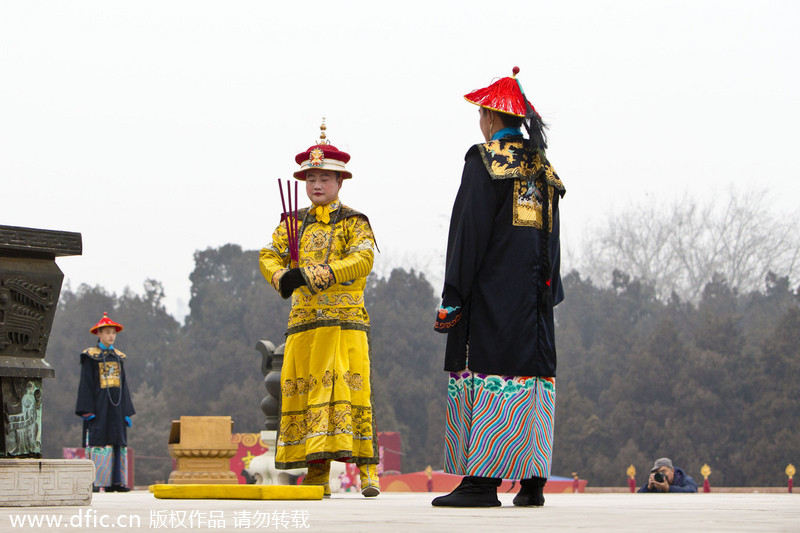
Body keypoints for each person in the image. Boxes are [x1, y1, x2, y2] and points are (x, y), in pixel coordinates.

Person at [432, 67, 566, 508]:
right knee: (530, 379)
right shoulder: (544, 168)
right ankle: (532, 483)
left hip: (491, 297)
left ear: (491, 117)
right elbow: (552, 240)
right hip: (535, 303)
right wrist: (548, 297)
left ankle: (482, 482)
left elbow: (467, 234)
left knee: (488, 372)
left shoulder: (485, 160)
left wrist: (454, 295)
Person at [259, 122, 380, 498]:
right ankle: (316, 472)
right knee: (308, 394)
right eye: (311, 178)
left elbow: (363, 260)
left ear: (340, 181)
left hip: (344, 324)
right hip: (305, 324)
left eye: (324, 178)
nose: (316, 185)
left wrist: (316, 273)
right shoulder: (291, 224)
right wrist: (281, 276)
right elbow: (267, 255)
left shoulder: (354, 222)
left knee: (352, 393)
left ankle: (368, 473)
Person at [75, 312, 135, 492]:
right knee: (98, 439)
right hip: (98, 406)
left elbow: (123, 385)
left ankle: (116, 482)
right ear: (99, 334)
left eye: (113, 333)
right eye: (107, 332)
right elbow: (85, 383)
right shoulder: (90, 356)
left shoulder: (119, 357)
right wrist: (87, 409)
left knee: (118, 440)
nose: (111, 336)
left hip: (116, 407)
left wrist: (126, 411)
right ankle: (96, 481)